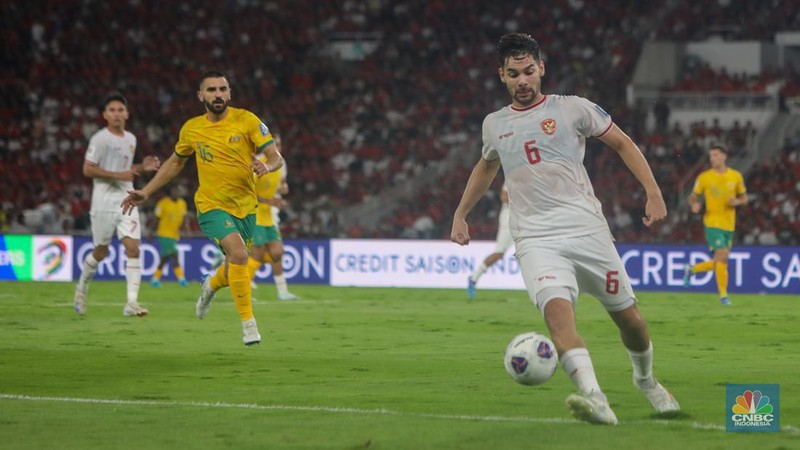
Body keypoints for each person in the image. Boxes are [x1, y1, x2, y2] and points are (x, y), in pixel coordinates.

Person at [450, 33, 680, 425]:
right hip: (536, 239)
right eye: (513, 74)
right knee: (559, 320)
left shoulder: (573, 108)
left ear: (541, 68)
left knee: (631, 321)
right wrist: (460, 213)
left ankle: (646, 381)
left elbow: (623, 143)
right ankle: (595, 398)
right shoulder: (494, 124)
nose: (522, 80)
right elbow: (486, 166)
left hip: (586, 230)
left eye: (527, 71)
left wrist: (653, 192)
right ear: (501, 76)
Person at [121, 71, 284, 346]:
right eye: (211, 90)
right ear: (201, 96)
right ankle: (249, 325)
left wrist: (266, 166)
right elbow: (174, 162)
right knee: (240, 255)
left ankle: (210, 286)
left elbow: (275, 157)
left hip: (245, 206)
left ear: (229, 93)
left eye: (222, 89)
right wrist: (146, 192)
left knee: (234, 265)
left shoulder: (247, 120)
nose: (218, 94)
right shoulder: (192, 129)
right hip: (211, 206)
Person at [74, 92, 160, 317]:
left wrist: (142, 167)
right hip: (103, 201)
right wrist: (120, 175)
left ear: (127, 114)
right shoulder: (100, 139)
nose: (117, 114)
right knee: (101, 250)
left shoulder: (131, 139)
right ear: (105, 115)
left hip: (127, 198)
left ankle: (131, 303)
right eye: (112, 110)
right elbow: (88, 169)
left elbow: (127, 170)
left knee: (134, 248)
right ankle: (81, 288)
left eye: (120, 110)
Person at [682, 145, 747, 305]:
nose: (713, 158)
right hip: (712, 222)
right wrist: (694, 205)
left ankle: (692, 269)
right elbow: (693, 196)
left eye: (716, 155)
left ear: (724, 156)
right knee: (723, 256)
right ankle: (724, 296)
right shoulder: (704, 177)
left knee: (721, 260)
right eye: (711, 156)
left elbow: (745, 198)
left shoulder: (736, 176)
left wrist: (737, 201)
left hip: (729, 225)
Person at [247, 132, 298, 301]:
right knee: (258, 254)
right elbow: (248, 192)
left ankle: (283, 292)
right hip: (255, 213)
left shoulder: (281, 163)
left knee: (277, 253)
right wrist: (271, 201)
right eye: (275, 144)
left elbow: (281, 181)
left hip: (269, 215)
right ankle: (243, 289)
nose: (278, 147)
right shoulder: (258, 163)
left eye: (280, 144)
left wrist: (283, 188)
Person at [467, 182, 512, 299]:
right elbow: (504, 197)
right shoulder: (512, 176)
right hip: (510, 219)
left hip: (526, 219)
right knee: (499, 253)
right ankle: (473, 278)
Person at [150, 184, 190, 288]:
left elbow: (185, 219)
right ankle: (182, 280)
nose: (177, 193)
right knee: (174, 254)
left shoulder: (182, 203)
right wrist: (151, 232)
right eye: (175, 191)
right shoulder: (163, 203)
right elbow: (156, 218)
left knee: (165, 258)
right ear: (170, 192)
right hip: (164, 234)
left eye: (178, 192)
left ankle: (155, 279)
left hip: (174, 236)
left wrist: (186, 231)